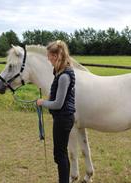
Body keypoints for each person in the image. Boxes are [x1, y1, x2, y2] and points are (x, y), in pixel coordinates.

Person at [37, 40, 76, 183]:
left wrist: (43, 103)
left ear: (57, 56)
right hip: (63, 118)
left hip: (63, 119)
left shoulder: (64, 76)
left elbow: (58, 104)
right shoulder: (61, 73)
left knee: (60, 155)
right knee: (60, 154)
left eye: (49, 56)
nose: (48, 58)